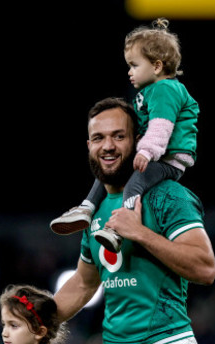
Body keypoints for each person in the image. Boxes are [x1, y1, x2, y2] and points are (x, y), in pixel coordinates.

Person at [0, 97, 215, 344]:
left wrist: (139, 232)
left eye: (118, 136)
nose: (108, 146)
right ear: (88, 145)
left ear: (138, 141)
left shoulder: (168, 194)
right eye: (99, 138)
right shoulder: (94, 210)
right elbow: (83, 283)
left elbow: (205, 267)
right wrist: (28, 329)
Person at [50, 18, 200, 254]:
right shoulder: (150, 90)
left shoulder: (165, 89)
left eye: (134, 65)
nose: (130, 72)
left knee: (136, 181)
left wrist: (146, 152)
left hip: (169, 159)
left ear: (157, 66)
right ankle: (86, 208)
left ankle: (121, 227)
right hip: (154, 153)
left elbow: (161, 126)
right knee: (111, 165)